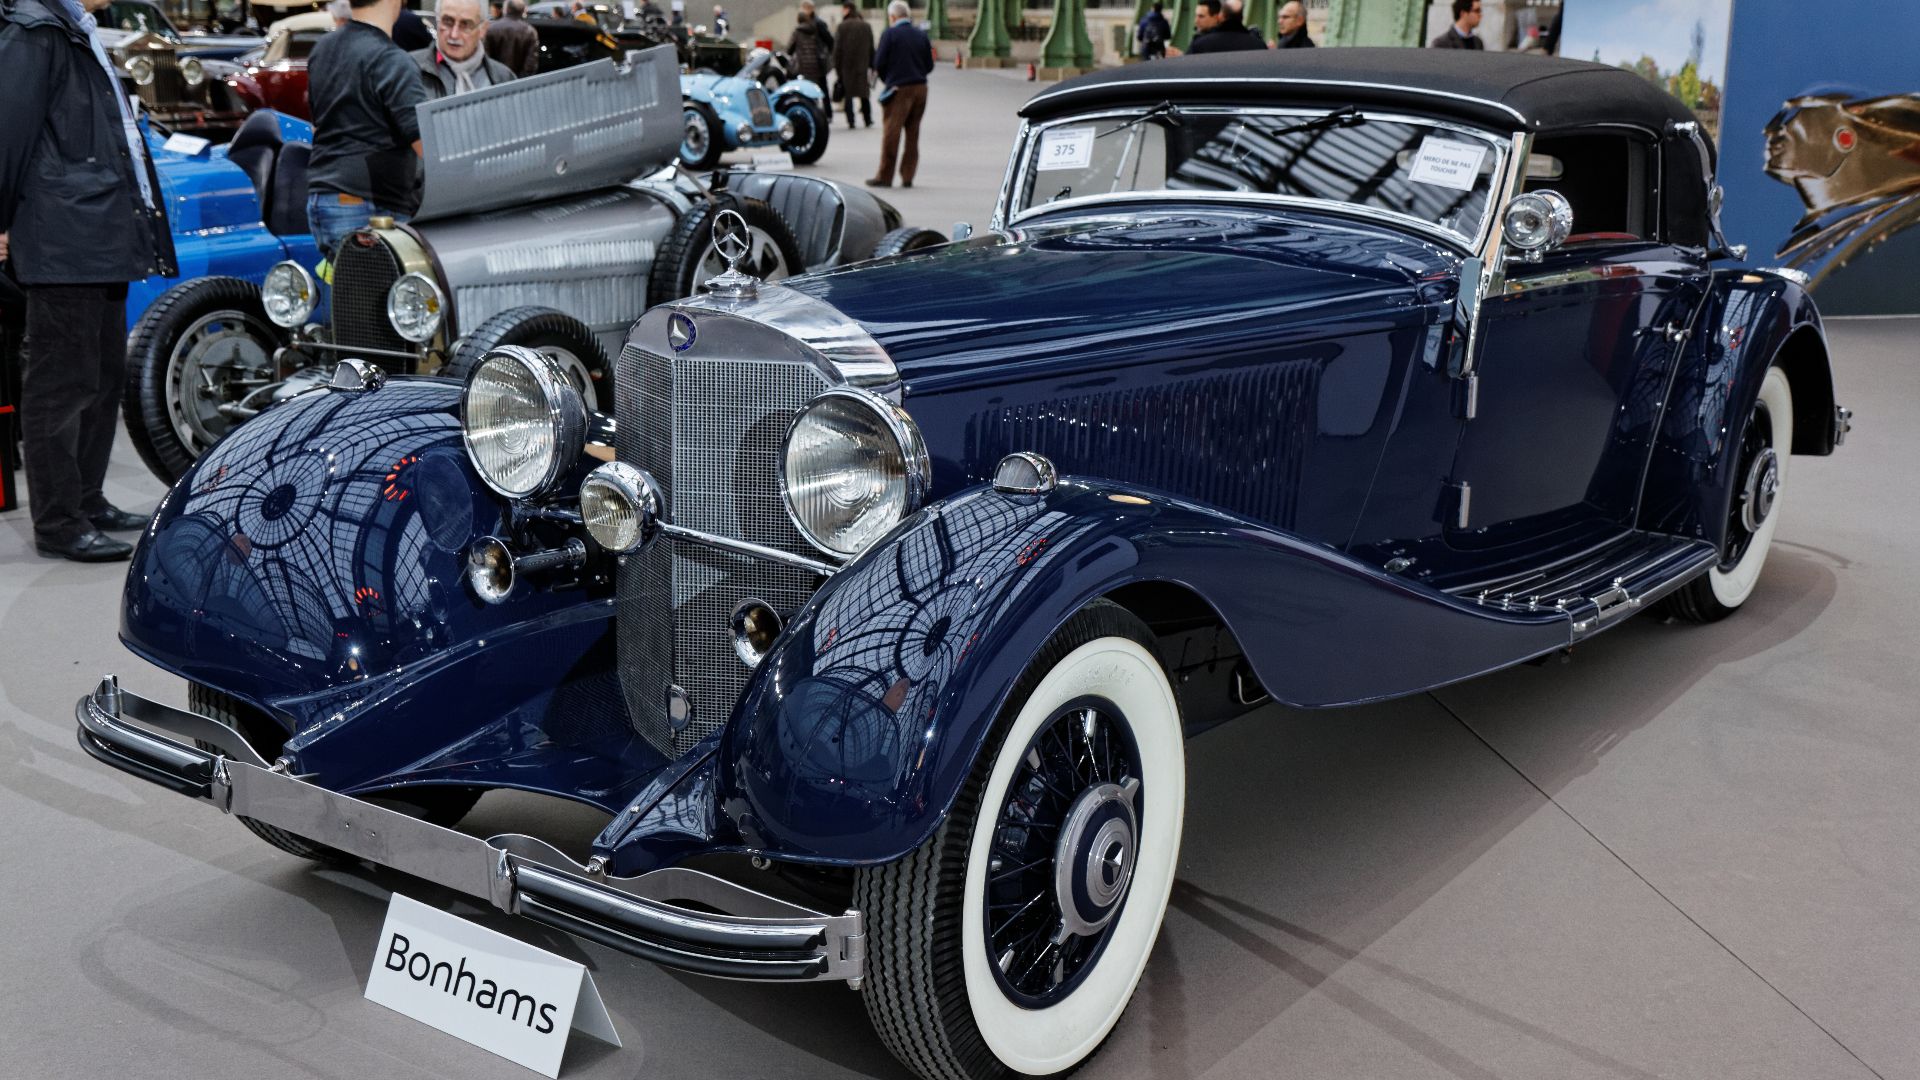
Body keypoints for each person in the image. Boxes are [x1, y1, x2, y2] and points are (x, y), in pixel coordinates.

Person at [0, 0, 176, 561]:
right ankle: (58, 522)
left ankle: (87, 499)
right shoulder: (35, 33)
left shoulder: (75, 29)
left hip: (98, 229)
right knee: (61, 382)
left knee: (101, 376)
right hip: (64, 233)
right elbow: (8, 134)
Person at [307, 0, 427, 259]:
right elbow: (428, 146)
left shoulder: (322, 49)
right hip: (370, 206)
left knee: (347, 295)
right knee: (382, 297)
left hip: (323, 197)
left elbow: (317, 128)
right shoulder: (391, 60)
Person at [867, 0, 929, 189]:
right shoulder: (920, 34)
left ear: (892, 17)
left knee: (891, 133)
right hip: (921, 87)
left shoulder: (890, 34)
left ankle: (885, 176)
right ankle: (908, 176)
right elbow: (929, 63)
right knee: (913, 133)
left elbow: (879, 63)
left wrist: (889, 81)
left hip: (899, 89)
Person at [414, 0, 514, 95]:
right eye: (448, 22)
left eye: (465, 25)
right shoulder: (409, 70)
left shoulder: (504, 78)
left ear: (483, 29)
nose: (454, 35)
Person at [832, 2, 874, 129]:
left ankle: (851, 121)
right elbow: (871, 48)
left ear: (848, 10)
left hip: (846, 65)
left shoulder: (842, 26)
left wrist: (837, 67)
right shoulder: (866, 26)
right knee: (864, 93)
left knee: (848, 94)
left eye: (843, 9)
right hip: (862, 65)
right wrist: (872, 65)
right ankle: (867, 119)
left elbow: (837, 49)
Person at [1182, 0, 1262, 54]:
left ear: (1220, 16)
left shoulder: (1199, 45)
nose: (1196, 21)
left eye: (1201, 16)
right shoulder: (1258, 45)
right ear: (1243, 17)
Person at [485, 0, 539, 77]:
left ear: (505, 10)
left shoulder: (491, 28)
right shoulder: (529, 31)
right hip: (519, 82)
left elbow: (486, 58)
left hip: (495, 80)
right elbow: (531, 64)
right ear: (523, 11)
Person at [786, 5, 829, 85]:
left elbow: (789, 50)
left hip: (802, 67)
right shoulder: (814, 30)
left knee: (804, 90)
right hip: (815, 66)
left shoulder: (797, 32)